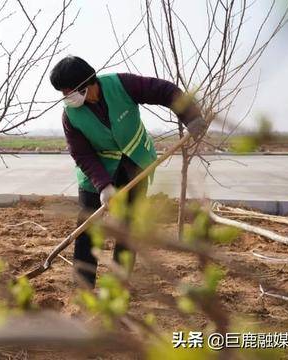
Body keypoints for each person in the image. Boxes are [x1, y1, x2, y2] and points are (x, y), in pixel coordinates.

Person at [49, 56, 206, 287]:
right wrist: (103, 185)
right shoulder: (70, 116)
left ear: (85, 84)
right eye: (62, 92)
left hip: (135, 162)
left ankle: (120, 285)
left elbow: (164, 91)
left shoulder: (122, 85)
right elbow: (82, 154)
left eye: (67, 90)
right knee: (88, 230)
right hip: (97, 172)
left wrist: (192, 117)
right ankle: (83, 289)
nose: (65, 97)